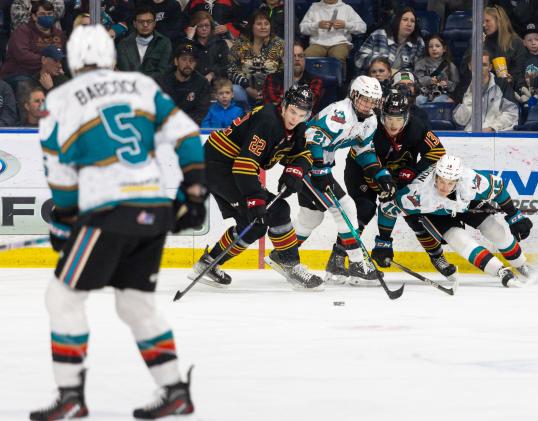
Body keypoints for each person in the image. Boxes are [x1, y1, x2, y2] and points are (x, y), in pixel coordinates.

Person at [30, 24, 204, 420]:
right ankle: (175, 391)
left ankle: (71, 397)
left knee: (62, 298)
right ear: (111, 56)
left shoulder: (59, 100)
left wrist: (68, 217)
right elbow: (187, 134)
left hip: (108, 212)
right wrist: (193, 190)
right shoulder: (140, 86)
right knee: (135, 303)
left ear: (73, 61)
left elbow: (59, 175)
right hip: (152, 209)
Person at [189, 84, 324, 289]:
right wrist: (254, 198)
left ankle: (209, 262)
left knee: (255, 224)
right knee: (276, 210)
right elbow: (245, 164)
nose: (295, 118)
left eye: (302, 114)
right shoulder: (268, 121)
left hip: (229, 166)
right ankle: (288, 262)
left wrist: (295, 171)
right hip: (218, 166)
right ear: (284, 106)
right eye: (293, 111)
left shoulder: (297, 128)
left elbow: (303, 154)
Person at [343, 92, 457, 282]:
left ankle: (437, 257)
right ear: (382, 116)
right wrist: (380, 179)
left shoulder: (417, 126)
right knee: (362, 210)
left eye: (398, 119)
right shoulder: (370, 125)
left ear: (406, 117)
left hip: (398, 177)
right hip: (361, 173)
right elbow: (360, 155)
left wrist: (413, 170)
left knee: (415, 215)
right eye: (389, 118)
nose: (393, 124)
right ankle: (340, 257)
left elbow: (438, 152)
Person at [294, 75, 396, 287]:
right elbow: (312, 136)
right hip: (304, 162)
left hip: (319, 166)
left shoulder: (370, 121)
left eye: (373, 100)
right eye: (364, 99)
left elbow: (363, 151)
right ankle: (358, 264)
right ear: (354, 95)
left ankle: (284, 253)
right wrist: (320, 169)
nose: (368, 104)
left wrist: (381, 175)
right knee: (346, 207)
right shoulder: (340, 112)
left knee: (311, 218)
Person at [379, 154, 537, 287]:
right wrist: (384, 241)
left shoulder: (470, 180)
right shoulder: (418, 195)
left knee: (493, 229)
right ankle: (500, 271)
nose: (444, 187)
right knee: (458, 239)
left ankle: (521, 265)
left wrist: (514, 215)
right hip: (435, 213)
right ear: (435, 176)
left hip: (465, 203)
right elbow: (386, 210)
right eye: (441, 181)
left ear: (458, 179)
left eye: (450, 182)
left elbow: (498, 187)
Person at [227, 10, 284, 110]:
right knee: (235, 90)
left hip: (272, 91)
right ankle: (243, 117)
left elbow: (284, 70)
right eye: (259, 24)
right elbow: (231, 70)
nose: (263, 27)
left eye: (266, 24)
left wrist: (268, 91)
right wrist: (247, 88)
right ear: (251, 26)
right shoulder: (240, 44)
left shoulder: (279, 45)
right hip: (246, 90)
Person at [0, 0, 66, 81]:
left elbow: (64, 56)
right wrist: (48, 63)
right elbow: (23, 56)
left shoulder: (59, 34)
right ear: (34, 16)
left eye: (49, 14)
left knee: (64, 81)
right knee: (26, 84)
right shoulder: (21, 32)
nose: (47, 17)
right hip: (21, 74)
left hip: (50, 72)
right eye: (42, 14)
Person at [453, 50, 519, 131]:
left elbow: (512, 113)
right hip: (472, 135)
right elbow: (460, 121)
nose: (479, 68)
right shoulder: (463, 87)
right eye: (476, 65)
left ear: (490, 67)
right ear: (470, 66)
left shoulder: (502, 84)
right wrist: (470, 94)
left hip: (498, 134)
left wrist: (492, 128)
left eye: (484, 65)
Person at [299, 0, 366, 73]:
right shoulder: (314, 7)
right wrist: (317, 25)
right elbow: (302, 28)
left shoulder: (346, 8)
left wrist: (345, 25)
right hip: (317, 43)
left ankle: (339, 82)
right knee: (308, 56)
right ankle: (309, 82)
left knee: (338, 56)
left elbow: (362, 28)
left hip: (340, 43)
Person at [354, 7, 425, 74]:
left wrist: (399, 75)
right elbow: (359, 60)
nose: (409, 24)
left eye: (412, 21)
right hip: (373, 79)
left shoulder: (418, 43)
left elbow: (419, 70)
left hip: (401, 81)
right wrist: (380, 64)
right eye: (405, 19)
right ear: (397, 20)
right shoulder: (380, 35)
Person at [156, 43, 211, 125]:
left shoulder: (202, 83)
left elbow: (201, 111)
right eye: (184, 59)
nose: (188, 64)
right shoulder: (161, 81)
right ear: (176, 61)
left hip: (190, 127)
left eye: (191, 60)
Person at [263, 41, 324, 111]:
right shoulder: (272, 78)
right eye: (293, 56)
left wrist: (284, 98)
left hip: (304, 121)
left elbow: (308, 104)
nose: (297, 59)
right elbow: (272, 105)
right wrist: (299, 99)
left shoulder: (315, 81)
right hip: (276, 120)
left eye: (300, 56)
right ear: (284, 59)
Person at [116, 6, 172, 79]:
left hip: (155, 87)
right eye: (141, 22)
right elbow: (125, 72)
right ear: (134, 24)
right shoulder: (123, 44)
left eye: (149, 21)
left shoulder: (165, 43)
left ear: (154, 23)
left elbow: (163, 72)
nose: (145, 25)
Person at [182, 11, 230, 84]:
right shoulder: (190, 44)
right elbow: (184, 61)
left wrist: (212, 74)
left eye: (207, 25)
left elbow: (226, 66)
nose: (204, 28)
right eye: (200, 26)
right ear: (194, 27)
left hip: (217, 84)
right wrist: (189, 39)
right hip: (193, 83)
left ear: (211, 27)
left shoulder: (220, 44)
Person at [483, 5, 526, 86]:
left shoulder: (516, 43)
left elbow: (521, 70)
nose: (484, 25)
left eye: (487, 21)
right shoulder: (480, 42)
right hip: (485, 88)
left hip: (510, 90)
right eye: (482, 22)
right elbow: (467, 67)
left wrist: (512, 79)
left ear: (499, 21)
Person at [414, 34, 459, 105]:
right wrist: (429, 80)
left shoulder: (450, 66)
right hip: (425, 93)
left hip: (443, 94)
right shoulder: (421, 64)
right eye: (430, 46)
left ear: (444, 49)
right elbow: (416, 82)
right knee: (419, 100)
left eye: (437, 46)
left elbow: (456, 84)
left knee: (438, 100)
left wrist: (446, 84)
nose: (434, 49)